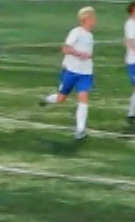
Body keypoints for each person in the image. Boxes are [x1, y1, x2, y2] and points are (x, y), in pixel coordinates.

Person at [39, 7, 98, 140]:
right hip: (71, 71)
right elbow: (65, 49)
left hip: (85, 73)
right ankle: (48, 99)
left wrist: (88, 56)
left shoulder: (90, 36)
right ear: (86, 19)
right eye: (93, 17)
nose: (95, 20)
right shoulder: (76, 32)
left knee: (83, 96)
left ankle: (80, 130)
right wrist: (80, 54)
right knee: (61, 98)